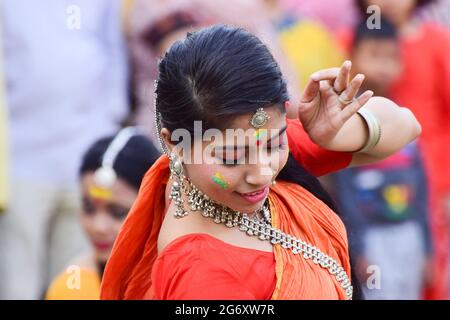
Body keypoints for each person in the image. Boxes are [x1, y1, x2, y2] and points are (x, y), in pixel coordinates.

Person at [100, 25, 421, 300]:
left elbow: (406, 126)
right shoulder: (198, 272)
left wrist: (333, 135)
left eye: (275, 143)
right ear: (175, 143)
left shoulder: (251, 143)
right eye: (230, 158)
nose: (262, 172)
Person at [0, 0, 129, 299]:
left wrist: (106, 125)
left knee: (75, 279)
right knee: (18, 279)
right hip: (22, 160)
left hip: (85, 160)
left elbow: (113, 59)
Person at [338, 0, 450, 299]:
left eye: (391, 58)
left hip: (416, 217)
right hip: (371, 234)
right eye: (374, 56)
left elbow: (423, 186)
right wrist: (356, 247)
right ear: (352, 58)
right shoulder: (347, 123)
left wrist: (428, 245)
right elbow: (344, 188)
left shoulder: (436, 43)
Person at [46, 128, 160, 299]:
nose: (98, 227)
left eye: (118, 212)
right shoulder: (72, 286)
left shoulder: (177, 280)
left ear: (155, 208)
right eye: (89, 208)